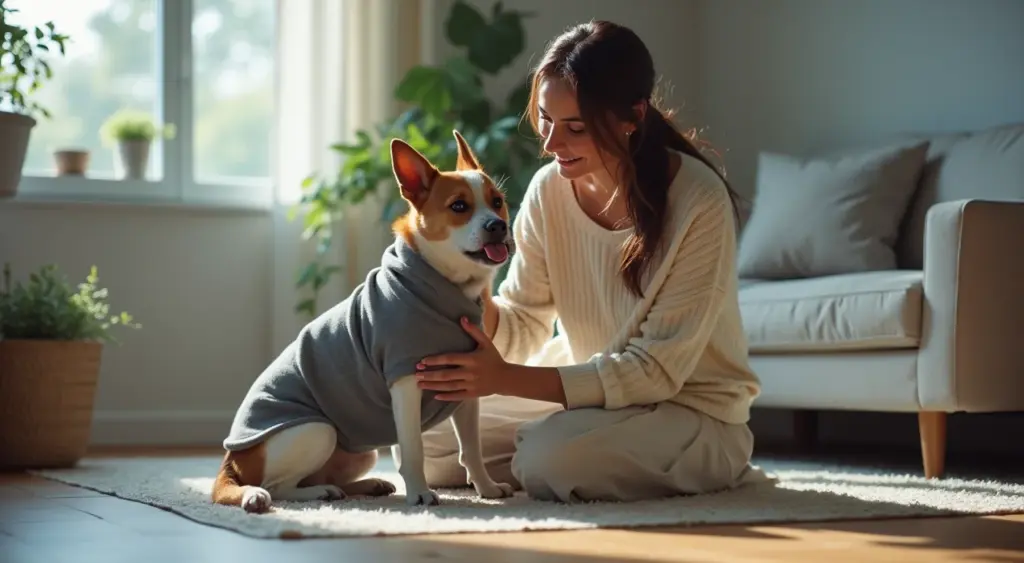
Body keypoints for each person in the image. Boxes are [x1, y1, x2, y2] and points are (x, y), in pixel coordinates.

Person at [411, 19, 773, 503]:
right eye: (545, 120)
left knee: (548, 461)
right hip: (596, 390)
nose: (551, 145)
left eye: (576, 128)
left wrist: (505, 380)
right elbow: (524, 322)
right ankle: (567, 448)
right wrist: (462, 290)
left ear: (632, 117)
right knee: (433, 441)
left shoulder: (698, 201)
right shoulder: (548, 191)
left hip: (692, 410)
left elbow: (655, 372)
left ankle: (574, 453)